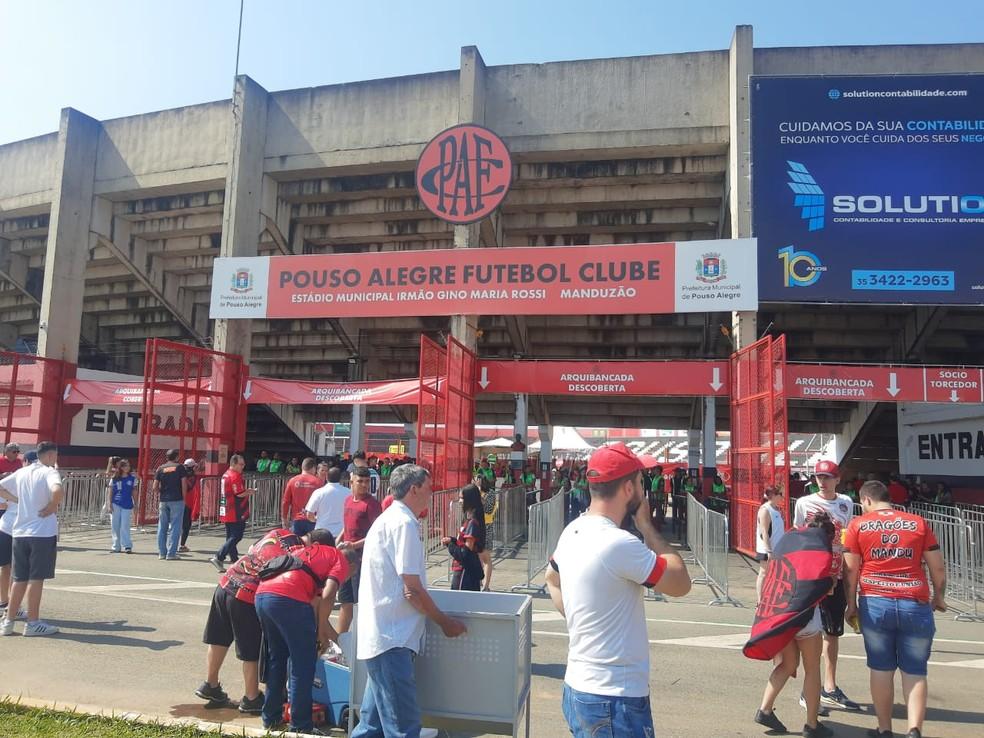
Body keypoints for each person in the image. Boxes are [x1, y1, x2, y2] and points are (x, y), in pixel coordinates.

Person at [545, 443, 691, 738]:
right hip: (614, 698)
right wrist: (647, 527)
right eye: (639, 481)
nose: (642, 487)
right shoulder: (620, 544)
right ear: (628, 488)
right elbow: (681, 582)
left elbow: (552, 579)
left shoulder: (573, 530)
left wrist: (580, 619)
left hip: (578, 686)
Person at [351, 464, 467, 738]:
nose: (432, 493)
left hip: (384, 637)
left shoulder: (390, 518)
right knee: (402, 729)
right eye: (428, 488)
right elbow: (412, 590)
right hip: (392, 639)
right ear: (414, 489)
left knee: (372, 727)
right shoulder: (403, 523)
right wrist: (444, 622)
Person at [844, 481, 947, 738]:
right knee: (915, 670)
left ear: (866, 500)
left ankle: (884, 729)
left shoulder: (858, 525)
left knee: (881, 668)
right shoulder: (918, 523)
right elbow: (938, 568)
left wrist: (851, 604)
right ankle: (914, 729)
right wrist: (939, 597)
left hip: (876, 602)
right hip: (915, 601)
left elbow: (850, 570)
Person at [197, 526, 336, 715]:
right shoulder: (301, 555)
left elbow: (253, 549)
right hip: (247, 594)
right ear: (317, 545)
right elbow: (311, 600)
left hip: (227, 582)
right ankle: (251, 698)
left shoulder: (281, 532)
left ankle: (210, 684)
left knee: (219, 638)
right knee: (251, 650)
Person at [750, 512, 838, 738]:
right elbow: (822, 588)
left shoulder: (789, 541)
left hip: (781, 616)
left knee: (787, 665)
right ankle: (811, 724)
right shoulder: (821, 549)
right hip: (806, 617)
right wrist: (833, 580)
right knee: (812, 669)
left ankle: (765, 708)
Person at [255, 538, 350, 734]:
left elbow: (315, 605)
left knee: (277, 659)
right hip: (288, 597)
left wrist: (324, 633)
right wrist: (322, 630)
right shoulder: (340, 559)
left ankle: (271, 719)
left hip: (263, 595)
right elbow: (329, 594)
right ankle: (300, 725)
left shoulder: (309, 554)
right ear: (354, 566)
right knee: (302, 665)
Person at [794, 459, 861, 712]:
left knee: (832, 632)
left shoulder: (845, 502)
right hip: (812, 573)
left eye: (827, 477)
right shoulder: (804, 502)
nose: (822, 481)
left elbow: (848, 538)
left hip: (836, 573)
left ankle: (830, 687)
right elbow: (798, 532)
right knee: (810, 632)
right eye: (819, 477)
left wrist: (848, 572)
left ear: (837, 479)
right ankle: (807, 691)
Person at [0, 441, 63, 637]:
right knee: (36, 579)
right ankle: (33, 622)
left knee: (19, 578)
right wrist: (52, 506)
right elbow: (57, 490)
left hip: (20, 531)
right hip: (41, 533)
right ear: (51, 456)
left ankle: (8, 622)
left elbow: (0, 487)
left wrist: (16, 499)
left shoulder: (22, 472)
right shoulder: (49, 472)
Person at [336, 466, 382, 633]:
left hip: (361, 560)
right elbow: (348, 525)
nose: (364, 485)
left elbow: (377, 534)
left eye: (367, 481)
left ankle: (360, 641)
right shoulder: (348, 500)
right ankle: (340, 643)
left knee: (359, 603)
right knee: (345, 601)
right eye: (360, 481)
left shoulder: (372, 504)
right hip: (345, 558)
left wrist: (354, 545)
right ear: (352, 482)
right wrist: (339, 539)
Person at [210, 455, 252, 572]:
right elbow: (238, 493)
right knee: (236, 535)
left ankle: (234, 559)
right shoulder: (234, 475)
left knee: (230, 536)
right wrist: (249, 492)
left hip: (227, 508)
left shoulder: (226, 474)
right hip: (235, 509)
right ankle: (219, 556)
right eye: (241, 464)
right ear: (233, 464)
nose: (243, 467)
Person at [441, 483, 486, 591]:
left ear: (469, 500)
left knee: (459, 603)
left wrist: (450, 545)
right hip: (463, 570)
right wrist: (452, 540)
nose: (460, 501)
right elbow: (464, 545)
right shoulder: (469, 520)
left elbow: (465, 553)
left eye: (462, 498)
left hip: (465, 572)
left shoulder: (473, 523)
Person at [153, 449, 189, 561]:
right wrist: (184, 497)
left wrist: (162, 493)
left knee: (162, 527)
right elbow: (184, 484)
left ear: (166, 457)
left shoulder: (160, 468)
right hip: (177, 499)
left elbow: (155, 487)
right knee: (175, 527)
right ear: (177, 457)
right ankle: (171, 553)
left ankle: (161, 553)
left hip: (164, 500)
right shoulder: (180, 468)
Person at [755, 485, 786, 602]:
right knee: (763, 573)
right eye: (780, 495)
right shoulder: (765, 510)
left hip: (777, 548)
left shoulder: (776, 509)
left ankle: (771, 598)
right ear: (773, 496)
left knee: (776, 575)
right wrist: (769, 551)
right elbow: (764, 532)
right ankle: (760, 601)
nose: (782, 497)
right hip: (767, 549)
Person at [304, 466, 350, 540]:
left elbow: (309, 514)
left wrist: (316, 519)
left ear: (326, 477)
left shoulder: (318, 492)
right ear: (340, 479)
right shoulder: (348, 492)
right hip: (341, 533)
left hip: (321, 532)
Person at [281, 457, 321, 536]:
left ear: (302, 467)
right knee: (313, 545)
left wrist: (284, 518)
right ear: (313, 468)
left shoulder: (292, 480)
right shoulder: (318, 482)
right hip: (313, 519)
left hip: (297, 520)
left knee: (297, 545)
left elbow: (285, 501)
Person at [107, 459, 136, 554]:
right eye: (125, 466)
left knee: (125, 525)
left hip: (127, 504)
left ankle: (127, 545)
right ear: (121, 467)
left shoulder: (132, 478)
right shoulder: (114, 478)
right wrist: (109, 503)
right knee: (115, 525)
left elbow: (134, 492)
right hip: (116, 503)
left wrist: (136, 503)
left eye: (128, 466)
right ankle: (116, 546)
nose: (127, 468)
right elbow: (111, 491)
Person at [180, 458, 200, 552]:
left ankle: (175, 544)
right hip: (187, 502)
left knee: (177, 524)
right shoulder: (192, 476)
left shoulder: (179, 474)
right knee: (186, 525)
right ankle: (182, 544)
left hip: (178, 501)